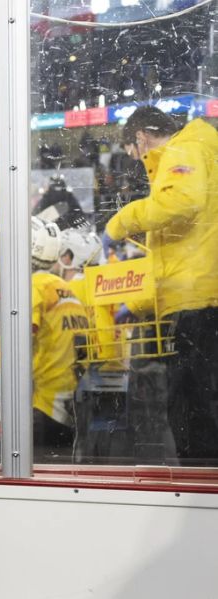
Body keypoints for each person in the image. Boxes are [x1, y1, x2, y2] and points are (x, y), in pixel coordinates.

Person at [103, 105, 218, 462]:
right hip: (195, 297)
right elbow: (178, 253)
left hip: (197, 304)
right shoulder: (201, 150)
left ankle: (200, 498)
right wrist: (137, 304)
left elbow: (180, 202)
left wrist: (121, 221)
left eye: (134, 154)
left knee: (195, 413)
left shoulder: (184, 150)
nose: (138, 162)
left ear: (140, 138)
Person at [30, 216, 88, 461]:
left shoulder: (32, 286)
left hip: (42, 403)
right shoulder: (69, 290)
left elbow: (21, 339)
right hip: (70, 402)